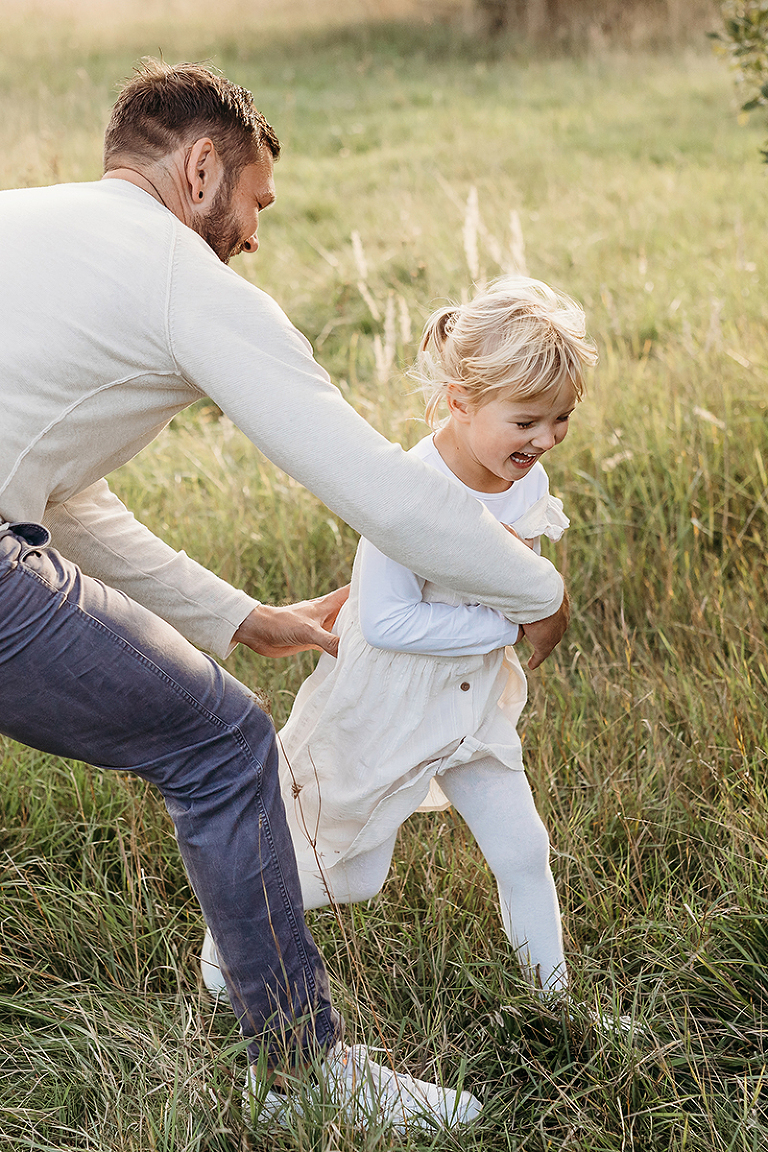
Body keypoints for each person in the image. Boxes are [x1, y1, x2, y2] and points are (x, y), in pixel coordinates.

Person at [0, 58, 570, 1131]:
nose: (256, 234)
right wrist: (537, 588)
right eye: (257, 201)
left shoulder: (32, 225)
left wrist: (237, 619)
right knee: (220, 743)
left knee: (211, 718)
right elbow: (387, 498)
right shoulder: (182, 276)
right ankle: (307, 1073)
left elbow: (59, 496)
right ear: (203, 169)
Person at [200, 277, 596, 1000]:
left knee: (523, 847)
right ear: (460, 402)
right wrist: (507, 619)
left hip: (469, 703)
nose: (545, 440)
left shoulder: (518, 475)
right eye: (528, 421)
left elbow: (513, 567)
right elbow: (386, 621)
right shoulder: (407, 491)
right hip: (388, 702)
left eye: (560, 418)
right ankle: (228, 949)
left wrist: (509, 604)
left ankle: (556, 1000)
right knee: (348, 868)